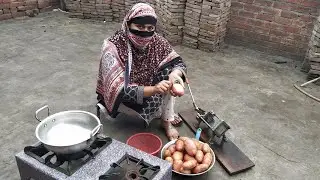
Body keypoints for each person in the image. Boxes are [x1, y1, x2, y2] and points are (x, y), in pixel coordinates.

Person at [96, 3, 187, 140]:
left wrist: (175, 75)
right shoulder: (113, 47)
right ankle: (161, 112)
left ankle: (166, 121)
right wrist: (155, 89)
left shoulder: (156, 41)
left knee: (169, 74)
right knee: (159, 87)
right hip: (123, 99)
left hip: (149, 85)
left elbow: (178, 62)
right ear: (128, 24)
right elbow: (122, 91)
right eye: (139, 27)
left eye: (150, 28)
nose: (145, 32)